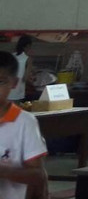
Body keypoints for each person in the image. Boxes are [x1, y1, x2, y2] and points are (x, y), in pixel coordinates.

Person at [0, 51, 47, 199]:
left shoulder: (25, 122)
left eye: (0, 81)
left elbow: (38, 175)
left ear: (14, 83)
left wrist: (3, 171)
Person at [9, 39, 33, 104]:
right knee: (15, 112)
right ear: (27, 46)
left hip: (6, 90)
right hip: (17, 92)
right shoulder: (28, 59)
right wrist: (33, 81)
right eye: (30, 47)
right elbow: (25, 78)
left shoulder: (11, 56)